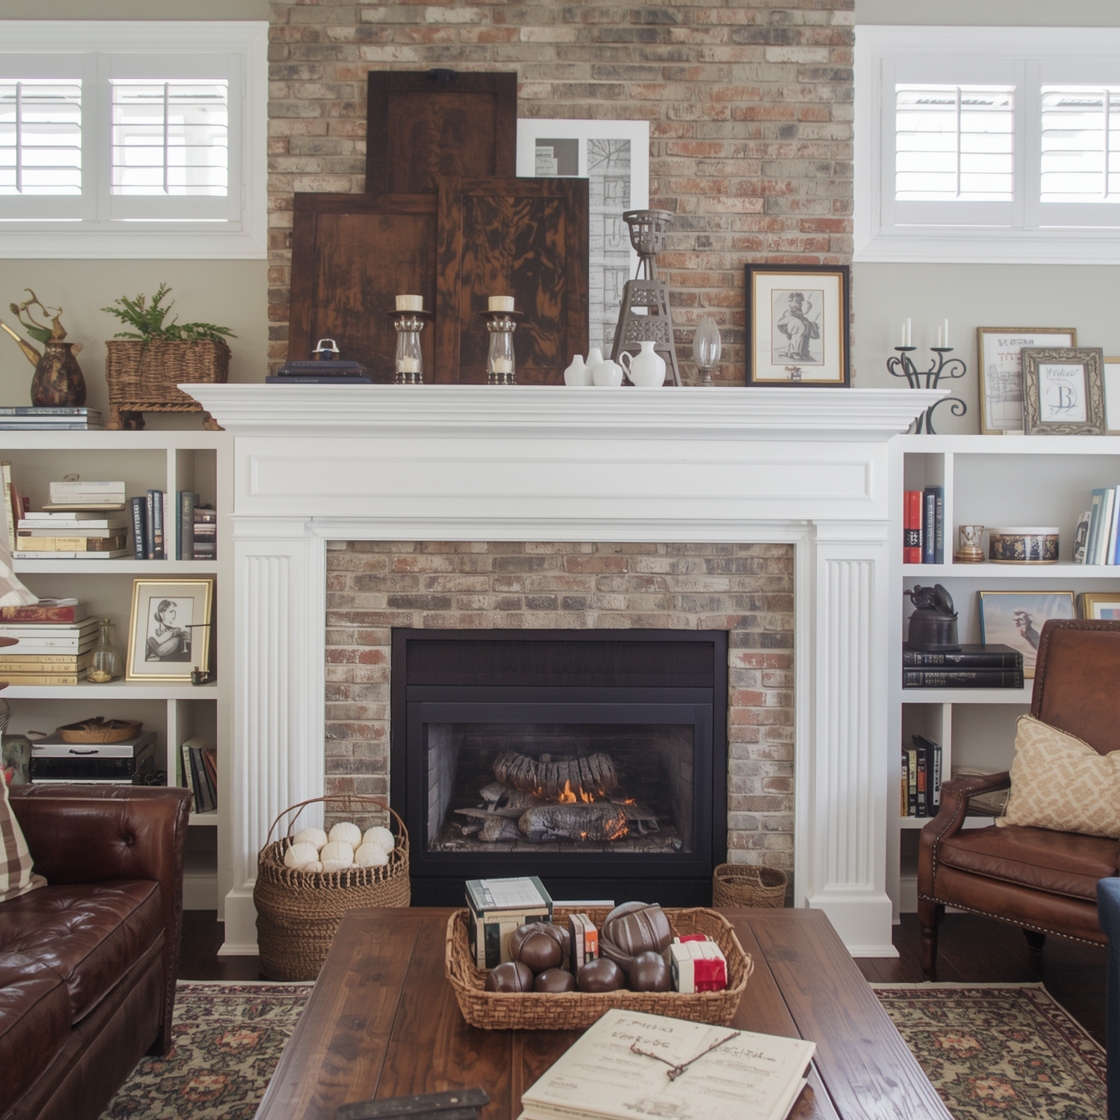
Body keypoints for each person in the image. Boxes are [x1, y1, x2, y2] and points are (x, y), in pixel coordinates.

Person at [775, 291, 820, 363]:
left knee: (807, 325)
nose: (799, 303)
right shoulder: (789, 311)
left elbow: (802, 314)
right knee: (799, 325)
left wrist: (808, 309)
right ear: (790, 302)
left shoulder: (800, 311)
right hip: (786, 325)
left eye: (800, 301)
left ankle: (804, 352)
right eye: (797, 301)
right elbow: (790, 315)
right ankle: (794, 352)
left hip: (796, 324)